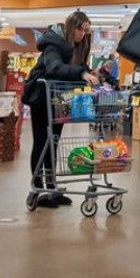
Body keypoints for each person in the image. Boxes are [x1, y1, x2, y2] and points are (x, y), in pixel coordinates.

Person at [21, 12, 100, 209]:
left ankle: (52, 189)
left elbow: (75, 70)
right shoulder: (53, 43)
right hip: (41, 97)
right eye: (80, 28)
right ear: (71, 26)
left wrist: (91, 74)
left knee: (53, 142)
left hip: (58, 98)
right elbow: (54, 68)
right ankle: (38, 189)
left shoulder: (78, 47)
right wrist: (80, 73)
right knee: (42, 142)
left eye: (86, 30)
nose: (82, 33)